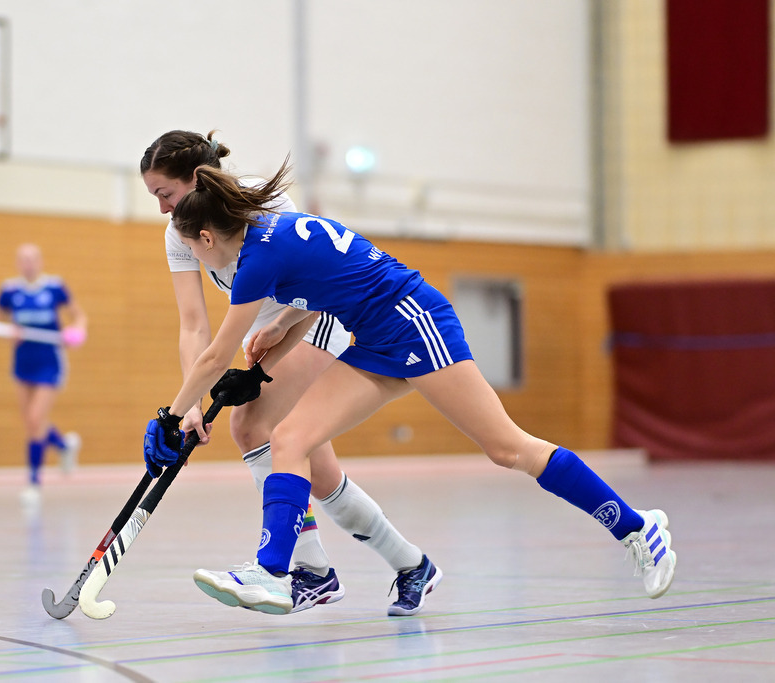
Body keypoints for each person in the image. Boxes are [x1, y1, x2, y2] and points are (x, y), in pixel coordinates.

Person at [142, 161, 677, 615]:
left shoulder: (256, 260)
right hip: (374, 336)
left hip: (415, 321)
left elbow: (214, 355)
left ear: (207, 238)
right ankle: (273, 573)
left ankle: (636, 528)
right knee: (290, 439)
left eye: (195, 249)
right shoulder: (268, 232)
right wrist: (282, 329)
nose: (202, 261)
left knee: (507, 448)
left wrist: (171, 415)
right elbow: (325, 285)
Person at [141, 130, 436, 615]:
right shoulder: (178, 232)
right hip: (257, 337)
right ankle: (411, 564)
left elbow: (314, 282)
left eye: (164, 194)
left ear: (194, 180)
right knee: (316, 474)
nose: (161, 209)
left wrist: (172, 414)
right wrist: (189, 405)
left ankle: (309, 571)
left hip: (305, 321)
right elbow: (193, 325)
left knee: (252, 426)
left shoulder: (259, 198)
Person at [0, 243, 87, 503]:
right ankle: (64, 446)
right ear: (18, 263)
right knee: (31, 422)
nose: (28, 264)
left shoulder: (54, 287)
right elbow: (1, 318)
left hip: (50, 361)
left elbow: (78, 316)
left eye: (32, 259)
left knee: (36, 418)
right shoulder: (9, 290)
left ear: (40, 261)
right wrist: (9, 330)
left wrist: (76, 332)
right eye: (23, 260)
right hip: (23, 362)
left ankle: (34, 483)